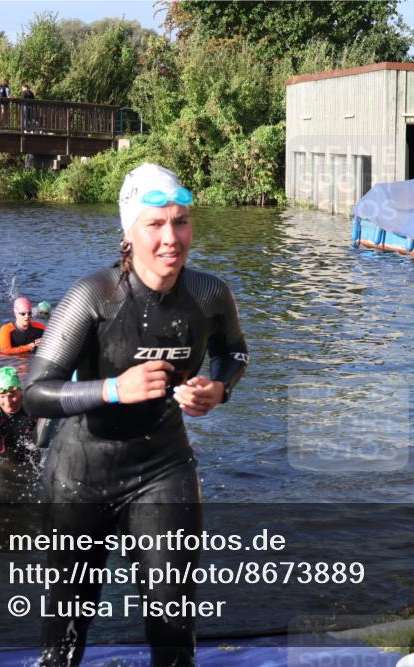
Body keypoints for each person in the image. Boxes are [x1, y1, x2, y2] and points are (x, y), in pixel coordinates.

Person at [23, 163, 248, 667]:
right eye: (155, 224)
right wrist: (112, 389)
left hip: (163, 465)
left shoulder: (209, 294)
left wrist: (219, 389)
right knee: (67, 626)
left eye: (181, 222)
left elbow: (234, 352)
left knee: (173, 619)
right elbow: (35, 393)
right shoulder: (93, 296)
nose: (171, 238)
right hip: (81, 472)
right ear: (129, 234)